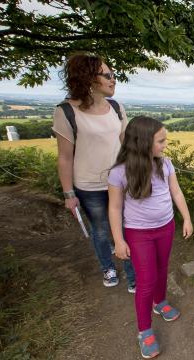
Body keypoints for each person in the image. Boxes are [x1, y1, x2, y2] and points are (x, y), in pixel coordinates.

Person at [107, 116, 193, 358]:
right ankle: (144, 331)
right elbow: (114, 208)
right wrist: (119, 240)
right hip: (138, 233)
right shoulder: (119, 173)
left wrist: (186, 217)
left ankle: (160, 302)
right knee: (146, 280)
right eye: (161, 141)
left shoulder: (164, 165)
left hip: (166, 227)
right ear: (143, 142)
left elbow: (176, 192)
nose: (165, 145)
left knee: (162, 268)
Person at [53, 53, 136, 292]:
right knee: (100, 230)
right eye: (108, 75)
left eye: (113, 75)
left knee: (126, 227)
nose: (113, 80)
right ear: (89, 79)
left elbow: (127, 145)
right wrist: (69, 194)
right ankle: (108, 267)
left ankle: (133, 276)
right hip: (89, 186)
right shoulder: (66, 112)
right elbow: (65, 157)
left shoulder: (116, 108)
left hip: (120, 182)